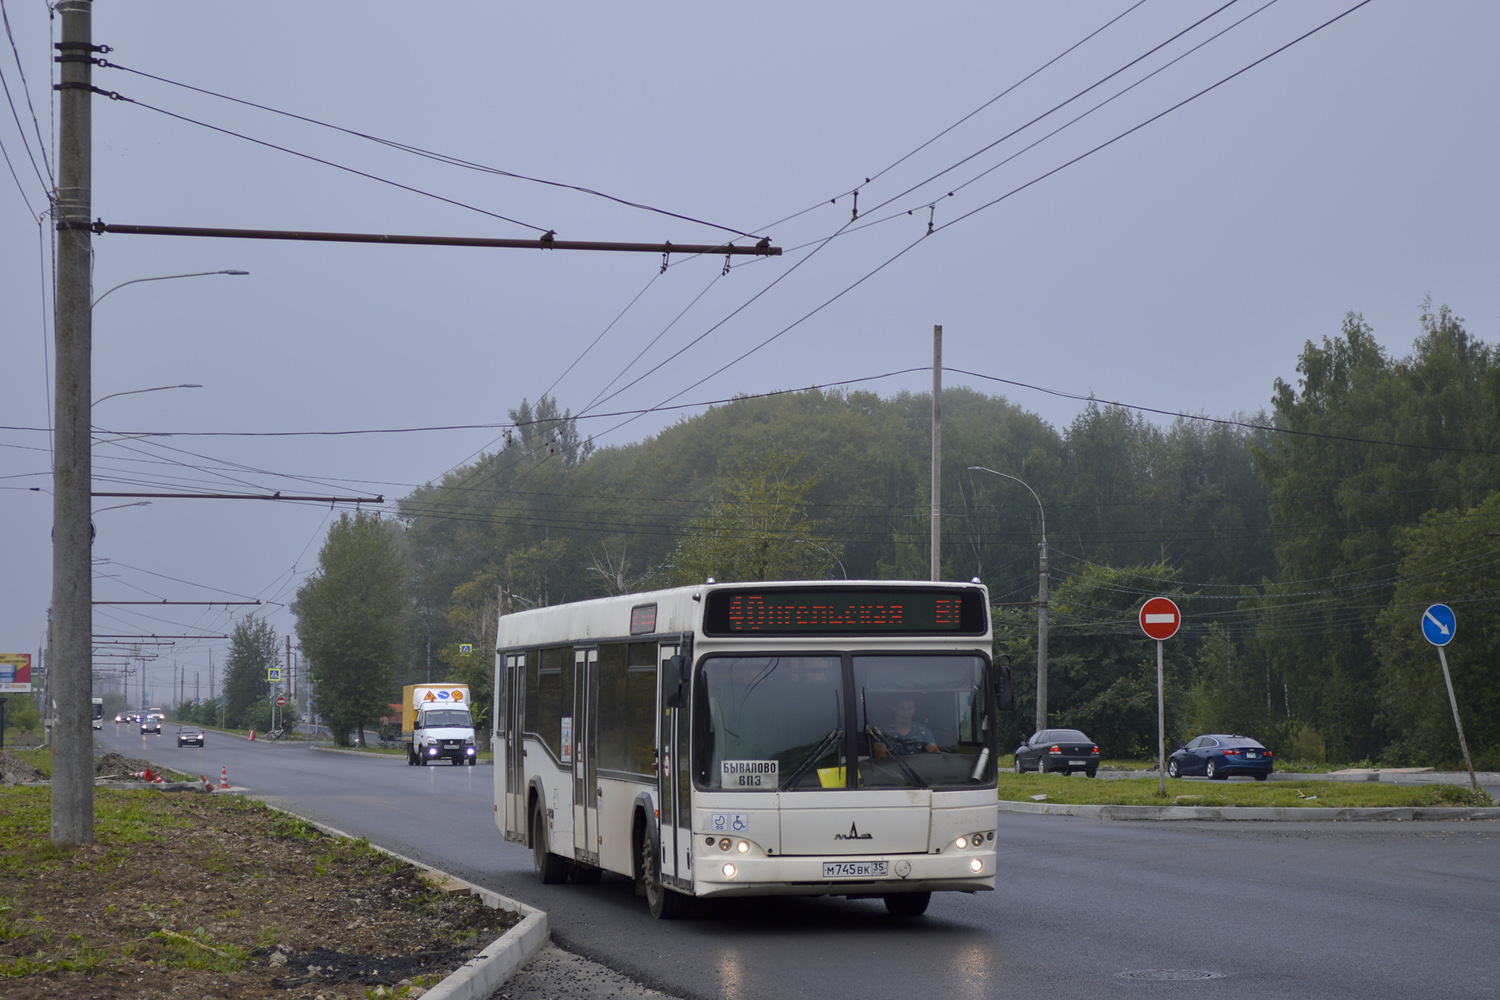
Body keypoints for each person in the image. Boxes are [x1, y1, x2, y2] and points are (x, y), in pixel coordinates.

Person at [870, 695, 939, 757]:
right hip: (892, 770)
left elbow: (934, 752)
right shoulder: (882, 731)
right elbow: (879, 754)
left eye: (909, 709)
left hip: (918, 770)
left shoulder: (922, 731)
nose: (906, 712)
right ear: (894, 709)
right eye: (902, 708)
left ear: (914, 710)